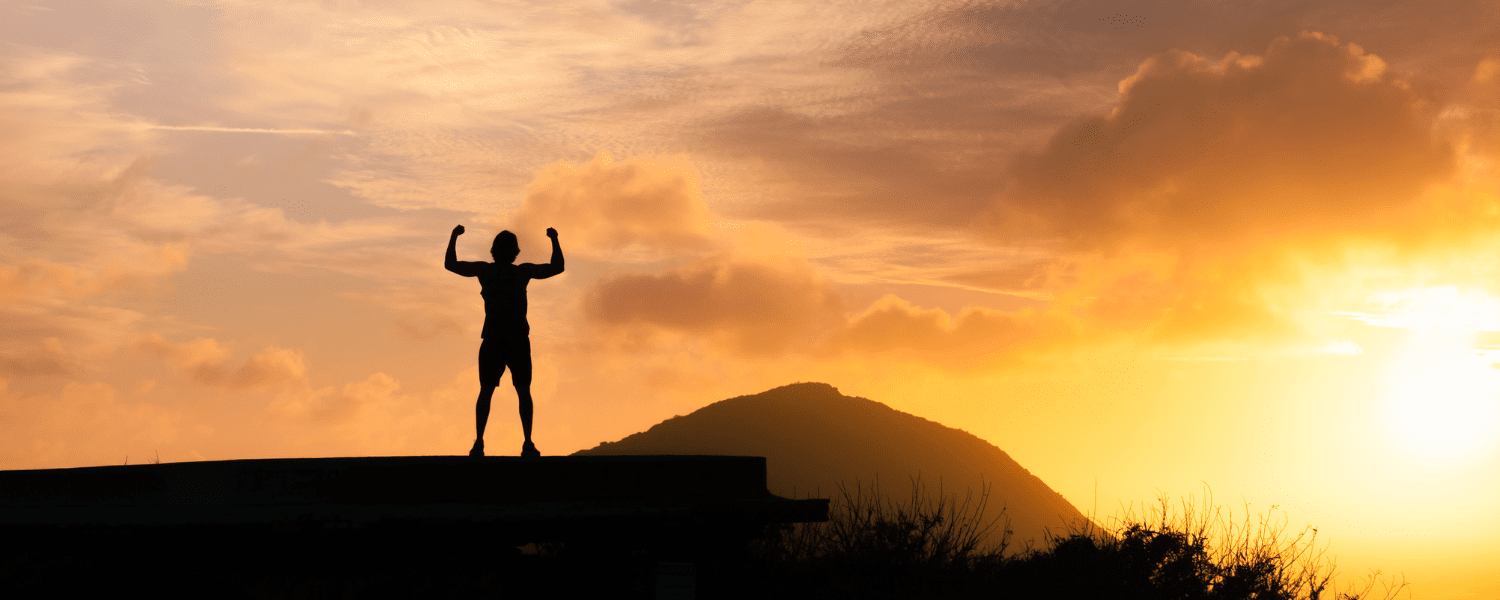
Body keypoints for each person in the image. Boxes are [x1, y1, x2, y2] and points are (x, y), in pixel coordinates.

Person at [445, 224, 563, 458]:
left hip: (500, 338)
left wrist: (454, 237)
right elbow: (556, 267)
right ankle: (513, 442)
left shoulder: (491, 272)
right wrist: (554, 240)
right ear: (514, 252)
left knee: (497, 391)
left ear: (494, 251)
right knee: (516, 391)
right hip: (509, 338)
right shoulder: (520, 272)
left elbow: (452, 265)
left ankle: (486, 442)